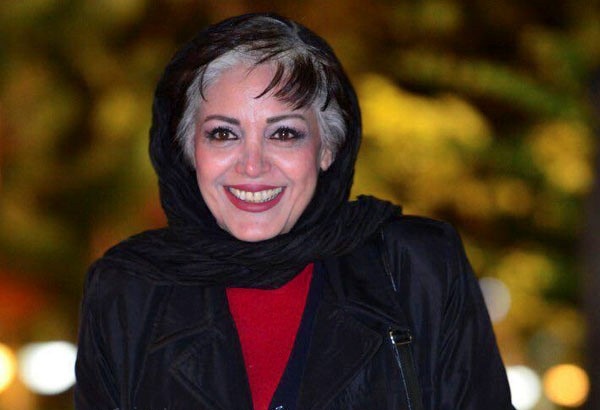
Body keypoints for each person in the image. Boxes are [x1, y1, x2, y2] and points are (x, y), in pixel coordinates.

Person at [74, 12, 514, 410]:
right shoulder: (126, 290)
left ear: (328, 148)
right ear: (189, 150)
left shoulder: (417, 267)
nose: (252, 165)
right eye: (223, 134)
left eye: (284, 133)